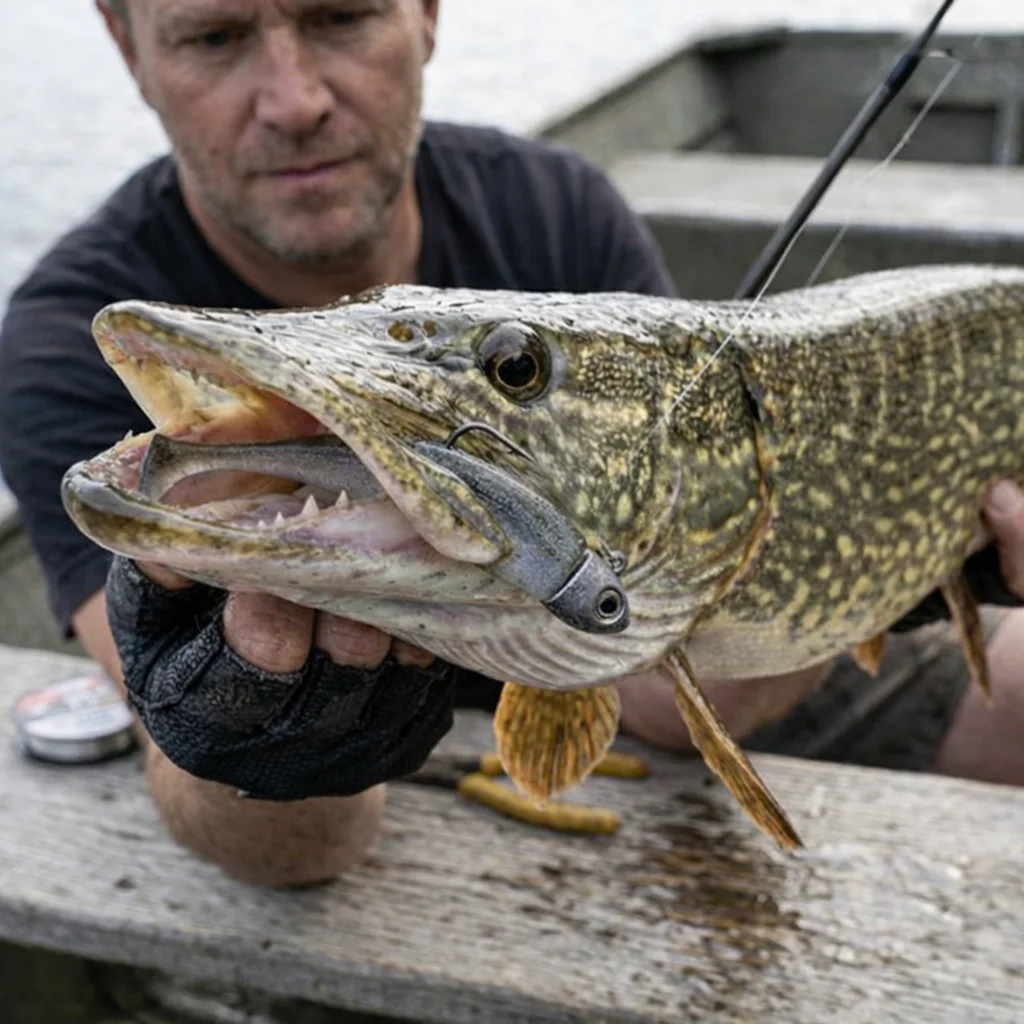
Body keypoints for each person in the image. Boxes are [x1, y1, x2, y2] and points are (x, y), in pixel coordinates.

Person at [1, 0, 1023, 889]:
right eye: (215, 36)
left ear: (427, 12)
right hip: (389, 808)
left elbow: (674, 699)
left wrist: (903, 569)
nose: (293, 96)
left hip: (633, 692)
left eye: (341, 15)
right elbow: (288, 851)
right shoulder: (64, 340)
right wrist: (255, 745)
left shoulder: (555, 208)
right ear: (127, 49)